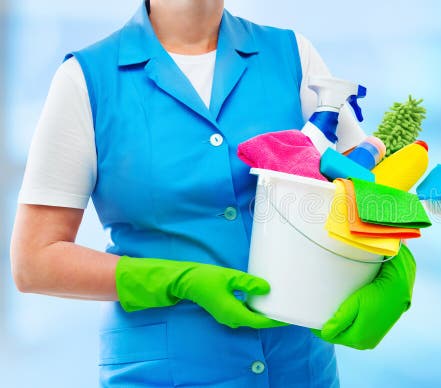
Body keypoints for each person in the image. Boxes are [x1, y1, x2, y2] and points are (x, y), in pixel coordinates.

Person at [9, 0, 416, 386]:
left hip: (299, 368)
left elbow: (367, 195)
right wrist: (180, 280)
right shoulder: (88, 80)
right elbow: (35, 260)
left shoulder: (292, 56)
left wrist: (398, 271)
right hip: (165, 373)